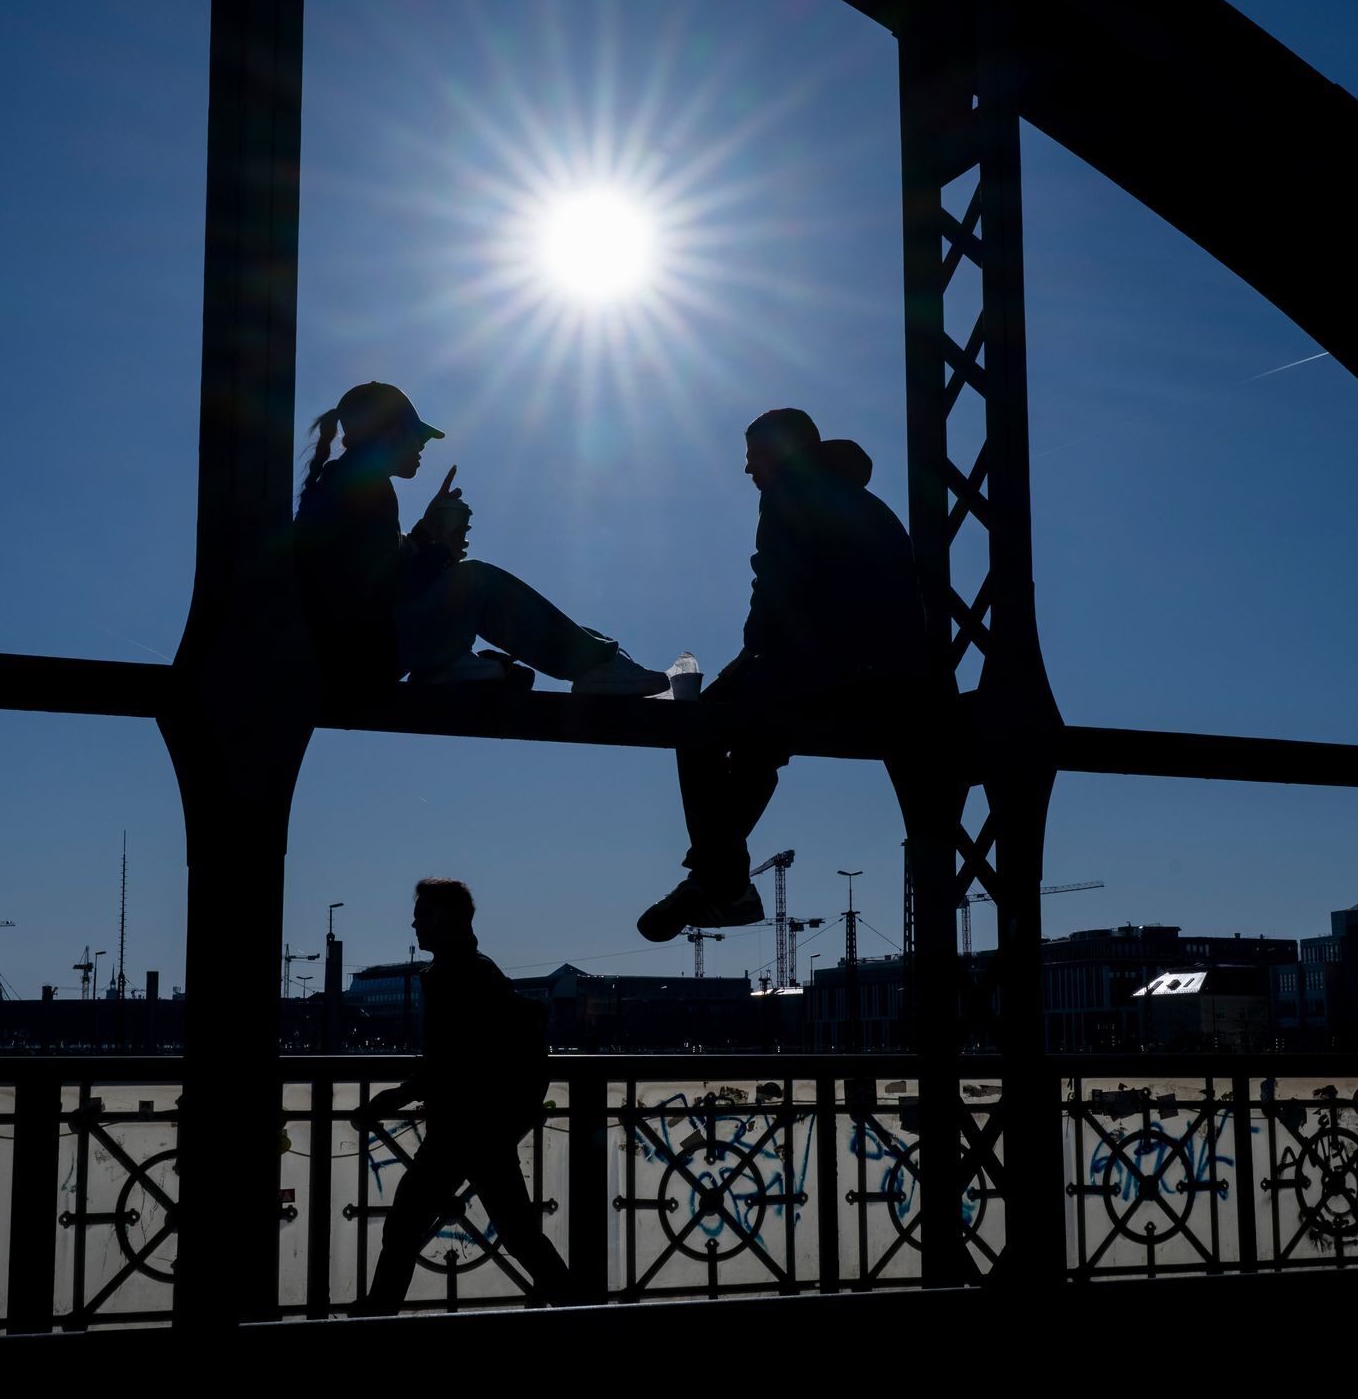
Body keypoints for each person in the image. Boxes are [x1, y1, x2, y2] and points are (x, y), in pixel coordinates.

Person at [638, 408, 931, 941]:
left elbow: (776, 585)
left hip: (832, 669)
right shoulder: (858, 499)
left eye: (754, 456)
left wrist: (750, 655)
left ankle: (722, 880)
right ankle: (718, 882)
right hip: (889, 679)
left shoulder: (788, 492)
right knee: (755, 743)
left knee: (695, 719)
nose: (748, 469)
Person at [294, 382, 666, 695]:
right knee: (477, 580)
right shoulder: (366, 489)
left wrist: (425, 532)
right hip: (363, 662)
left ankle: (448, 664)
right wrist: (443, 552)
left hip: (349, 658)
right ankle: (595, 664)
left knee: (467, 580)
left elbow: (372, 570)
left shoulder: (342, 482)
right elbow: (384, 591)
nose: (422, 446)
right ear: (392, 433)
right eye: (417, 436)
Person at [352, 878, 573, 1315]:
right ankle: (580, 1308)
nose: (415, 923)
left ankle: (377, 1315)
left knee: (407, 1224)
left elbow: (452, 1060)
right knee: (517, 1233)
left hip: (461, 1127)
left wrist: (398, 1097)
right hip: (483, 1126)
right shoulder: (475, 970)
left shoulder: (457, 976)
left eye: (424, 914)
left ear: (450, 919)